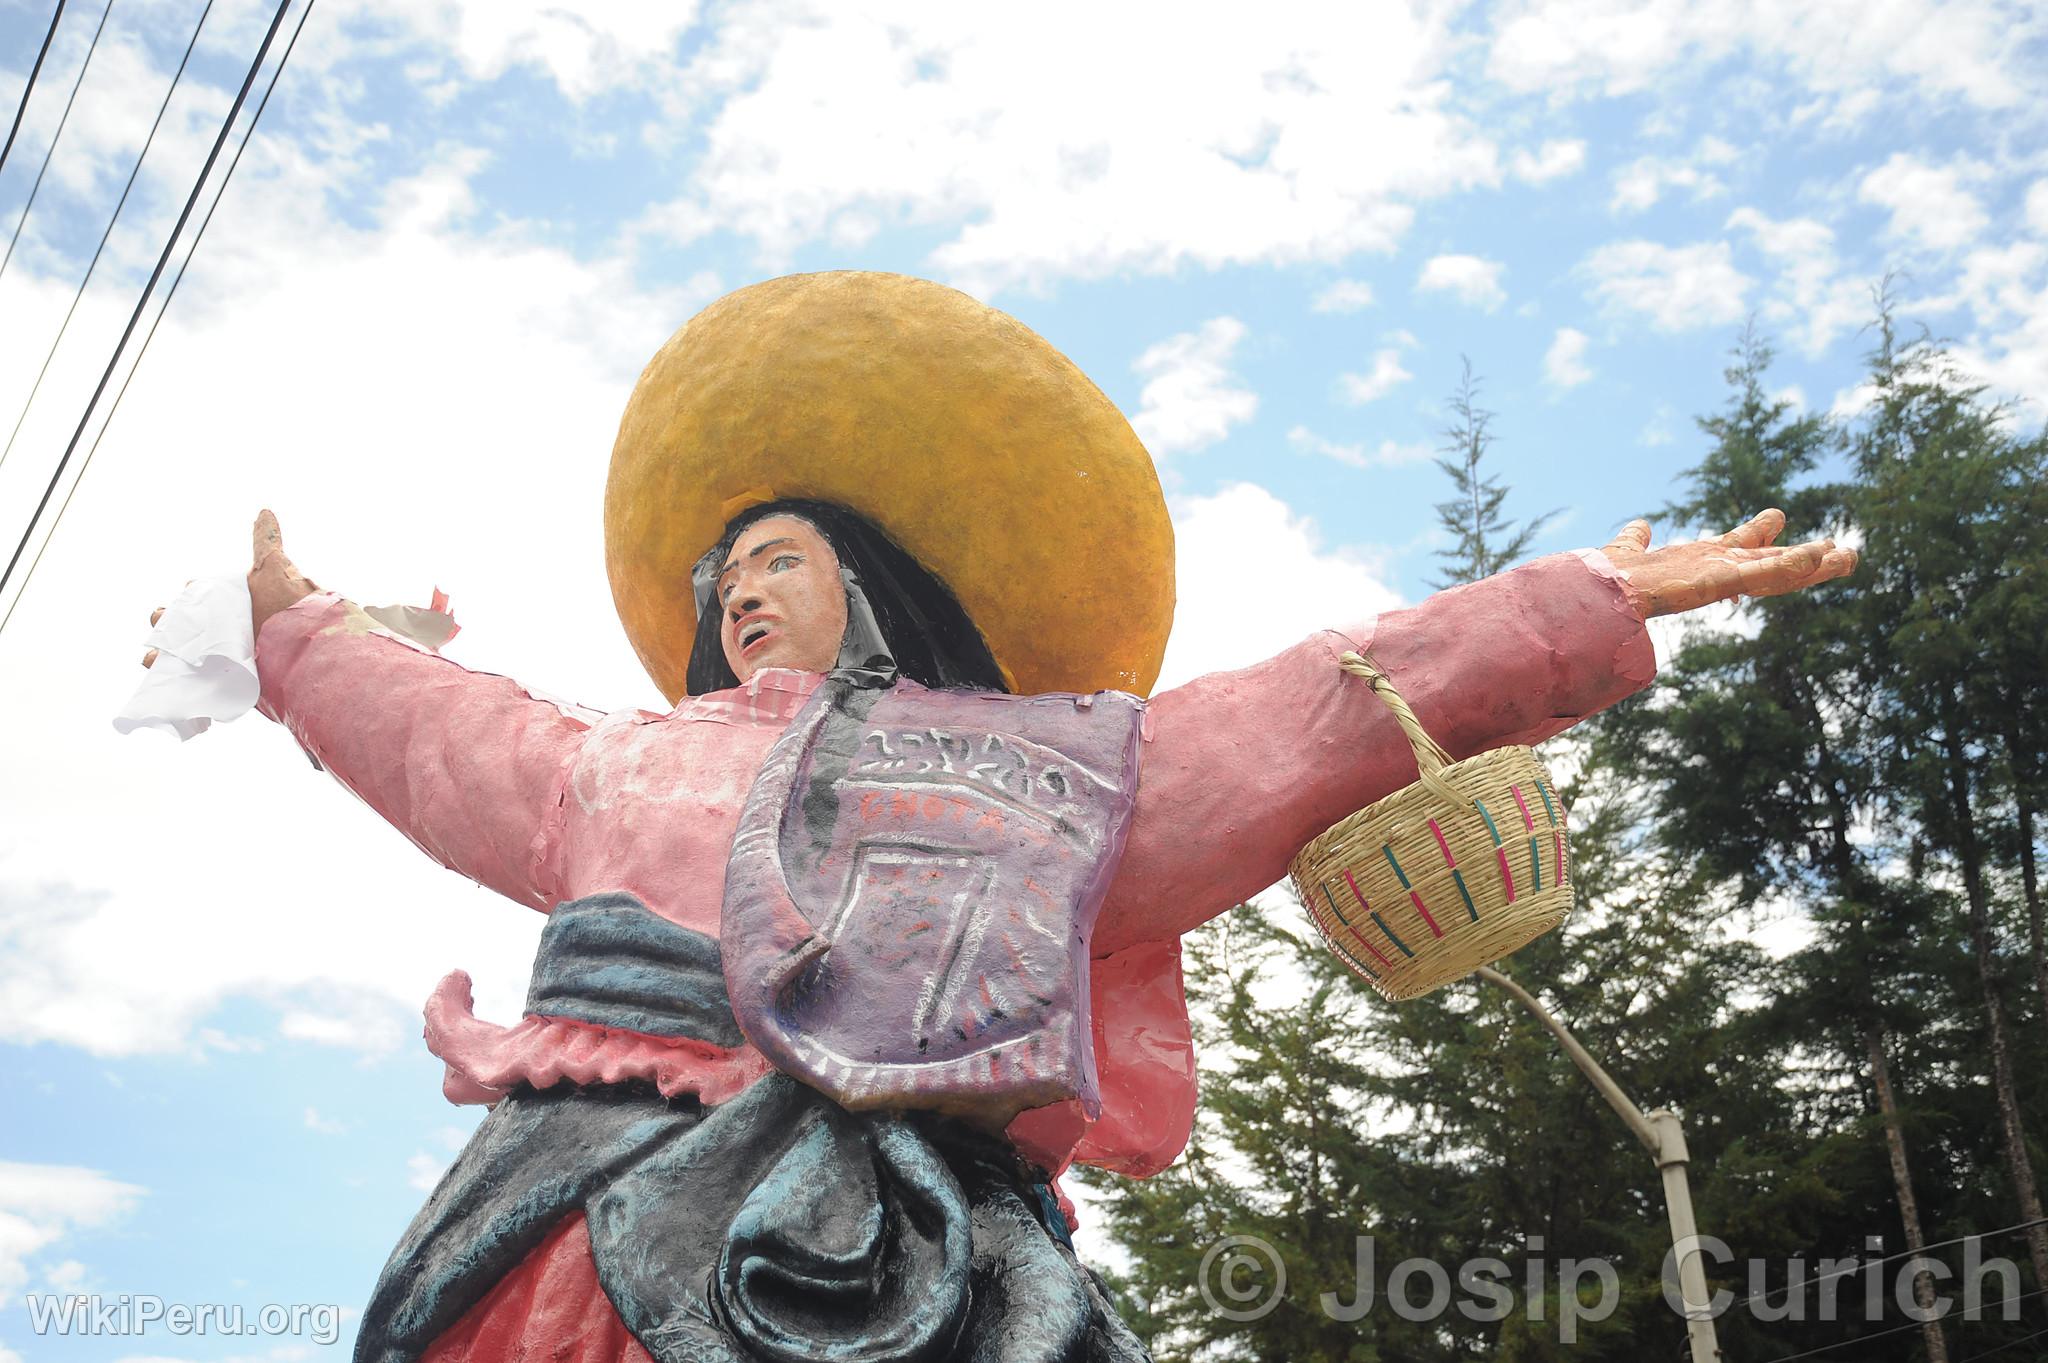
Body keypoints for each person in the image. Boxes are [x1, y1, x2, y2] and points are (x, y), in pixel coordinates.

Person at [147, 275, 1853, 1363]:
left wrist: (1566, 604)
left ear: (870, 588)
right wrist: (299, 634)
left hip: (921, 1251)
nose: (741, 593)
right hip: (563, 1232)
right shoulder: (608, 765)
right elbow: (442, 726)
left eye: (781, 561)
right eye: (724, 574)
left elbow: (1296, 718)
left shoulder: (1040, 772)